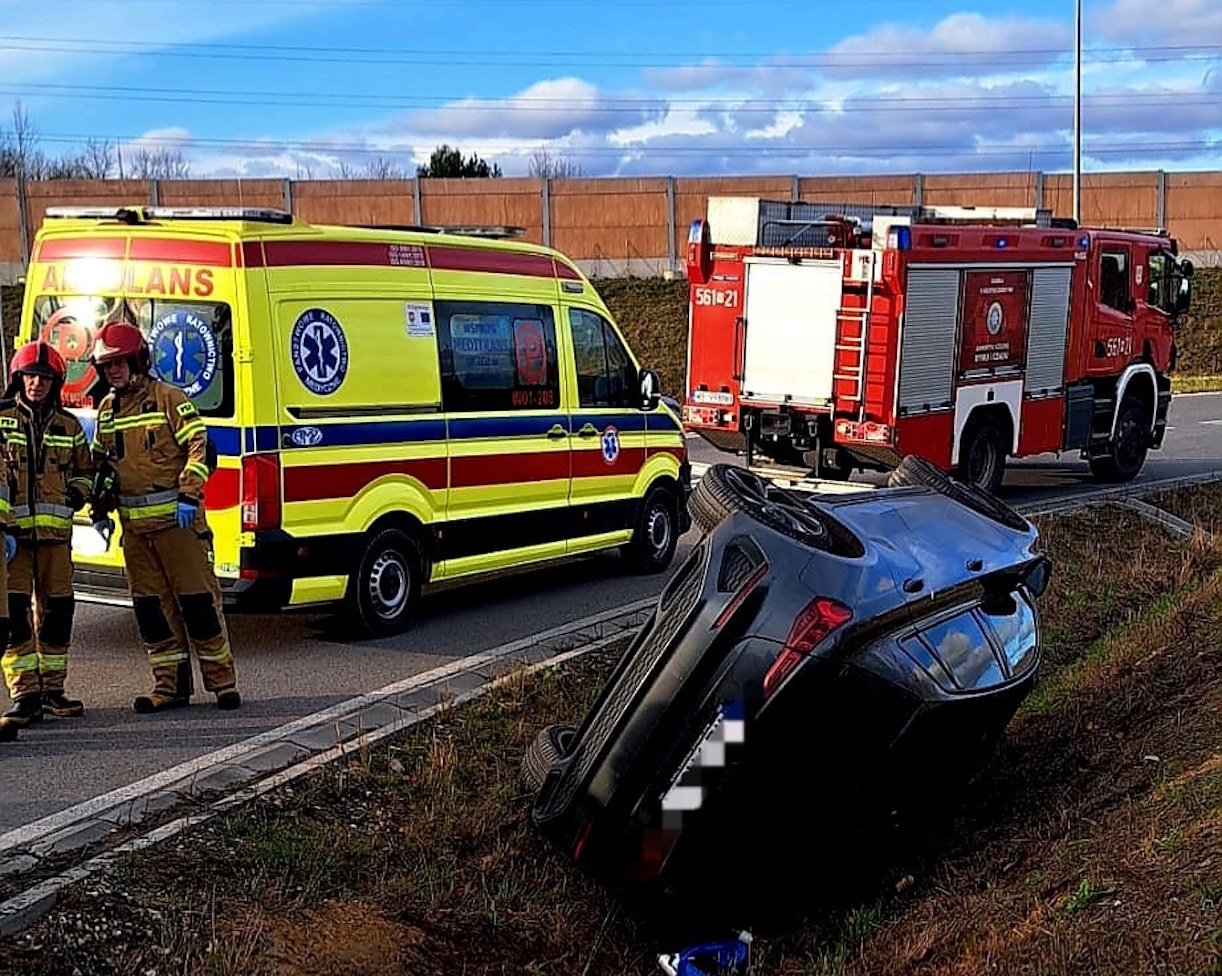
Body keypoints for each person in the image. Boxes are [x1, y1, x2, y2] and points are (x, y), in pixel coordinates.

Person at [88, 321, 240, 713]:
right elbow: (103, 464)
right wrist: (100, 507)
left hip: (179, 526)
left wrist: (190, 494)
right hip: (136, 534)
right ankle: (168, 687)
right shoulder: (107, 410)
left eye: (120, 363)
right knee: (153, 612)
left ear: (138, 360)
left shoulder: (169, 397)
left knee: (199, 606)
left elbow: (200, 447)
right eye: (107, 367)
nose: (114, 372)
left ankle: (222, 684)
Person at [0, 340, 93, 725]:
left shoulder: (69, 426)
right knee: (16, 615)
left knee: (58, 613)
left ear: (55, 382)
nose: (36, 384)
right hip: (13, 540)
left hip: (56, 540)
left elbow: (86, 471)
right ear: (17, 378)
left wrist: (77, 493)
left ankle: (53, 689)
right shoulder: (1, 419)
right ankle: (25, 694)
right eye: (30, 376)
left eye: (44, 378)